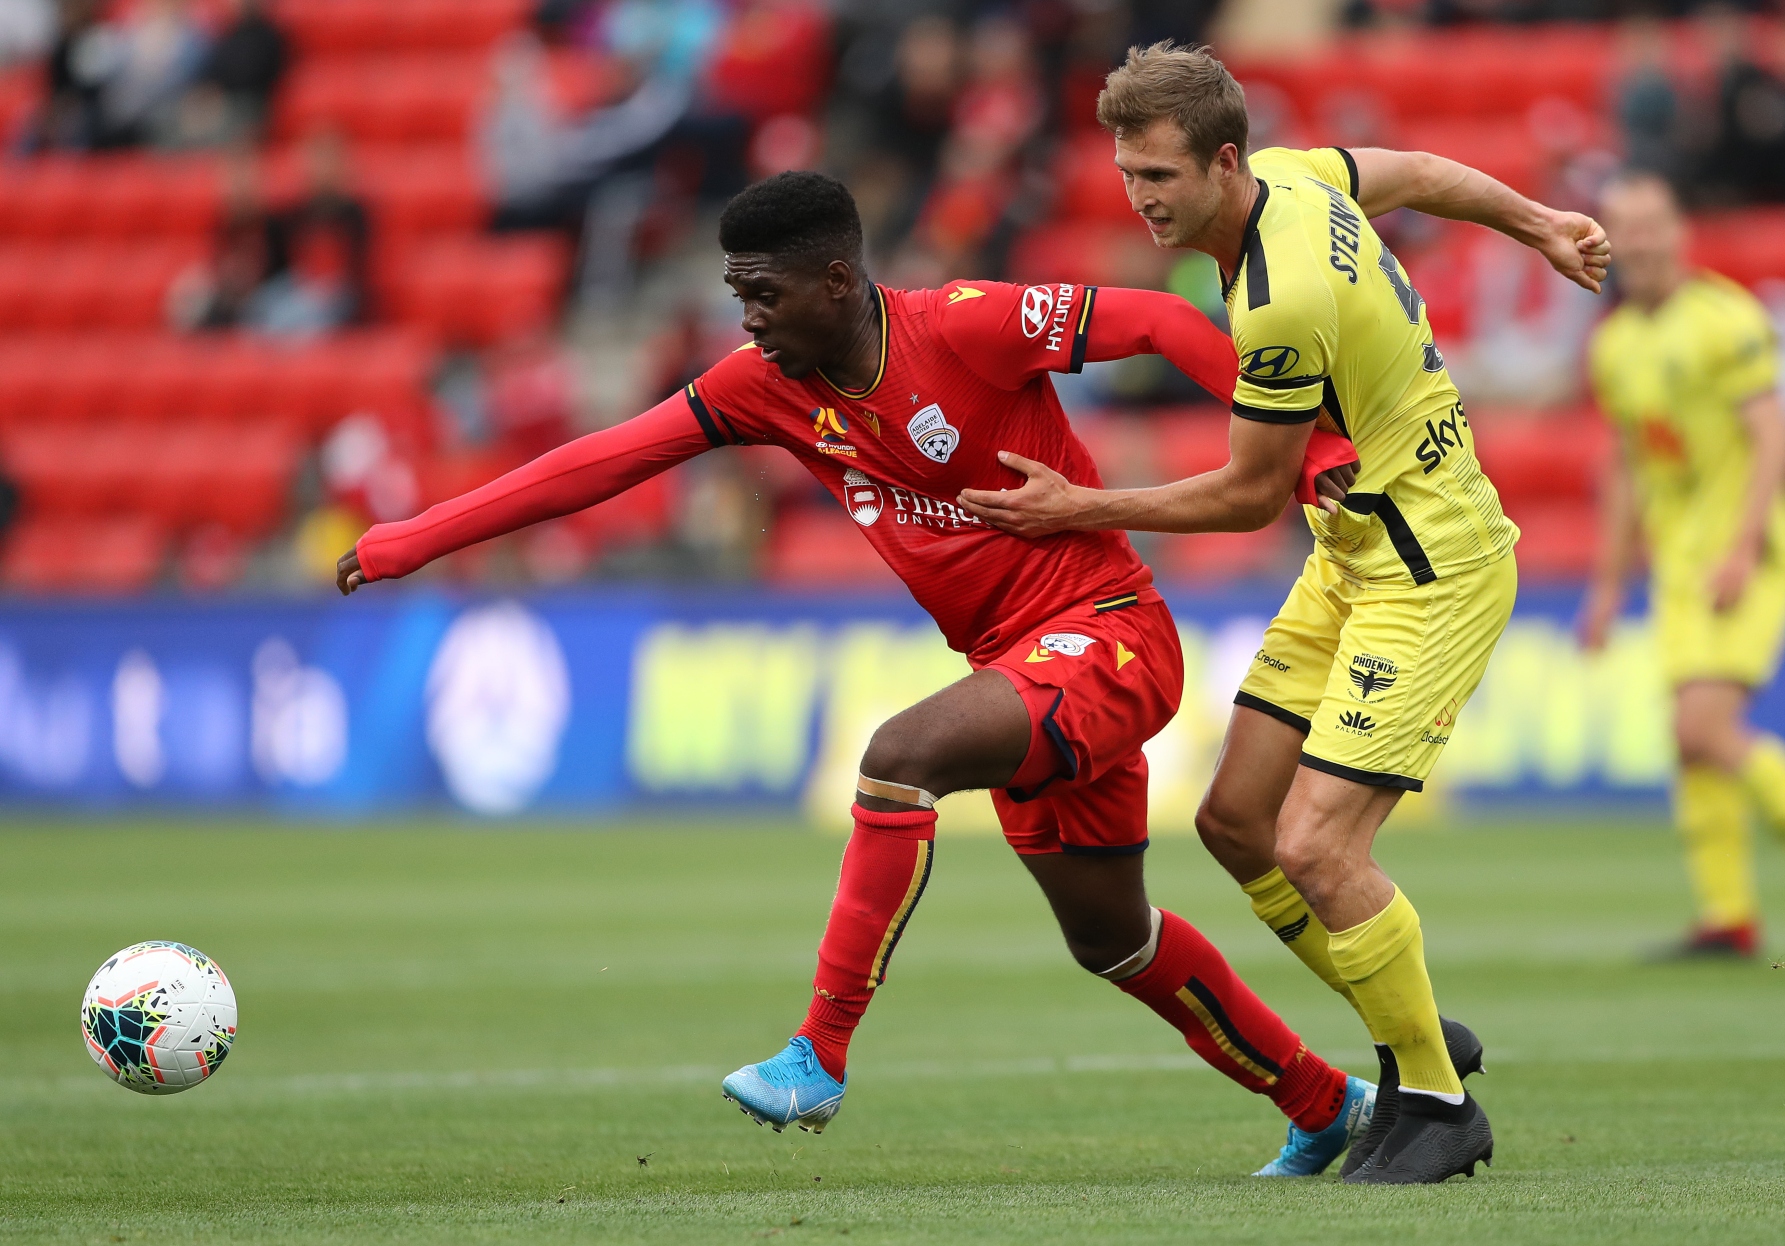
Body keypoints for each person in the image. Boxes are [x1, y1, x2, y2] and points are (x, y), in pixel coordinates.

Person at [336, 170, 1383, 1177]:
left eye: (764, 293)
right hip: (1016, 666)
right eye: (738, 294)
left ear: (836, 280)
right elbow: (602, 460)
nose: (748, 319)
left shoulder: (963, 327)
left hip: (1107, 634)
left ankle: (819, 1054)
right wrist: (415, 539)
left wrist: (1306, 449)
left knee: (899, 755)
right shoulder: (764, 387)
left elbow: (1156, 319)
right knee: (1112, 939)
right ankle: (1324, 1101)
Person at [955, 43, 1609, 1183]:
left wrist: (1079, 507)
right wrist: (1541, 222)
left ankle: (1438, 1103)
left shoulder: (1278, 303)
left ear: (1223, 162)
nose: (1140, 198)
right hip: (1352, 556)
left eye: (1160, 175)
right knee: (1237, 824)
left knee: (1314, 845)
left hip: (1429, 567)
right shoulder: (1300, 175)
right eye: (1127, 175)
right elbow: (1417, 173)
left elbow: (1251, 495)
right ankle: (1416, 1036)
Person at [1581, 172, 1785, 959]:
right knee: (1690, 741)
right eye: (1621, 228)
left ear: (1677, 232)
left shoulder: (1724, 320)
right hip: (1678, 563)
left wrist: (1741, 547)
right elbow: (1629, 468)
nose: (1636, 242)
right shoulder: (1613, 345)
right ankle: (1726, 916)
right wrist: (1606, 586)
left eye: (1649, 224)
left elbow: (1770, 436)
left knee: (1701, 728)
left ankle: (1727, 911)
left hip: (1744, 554)